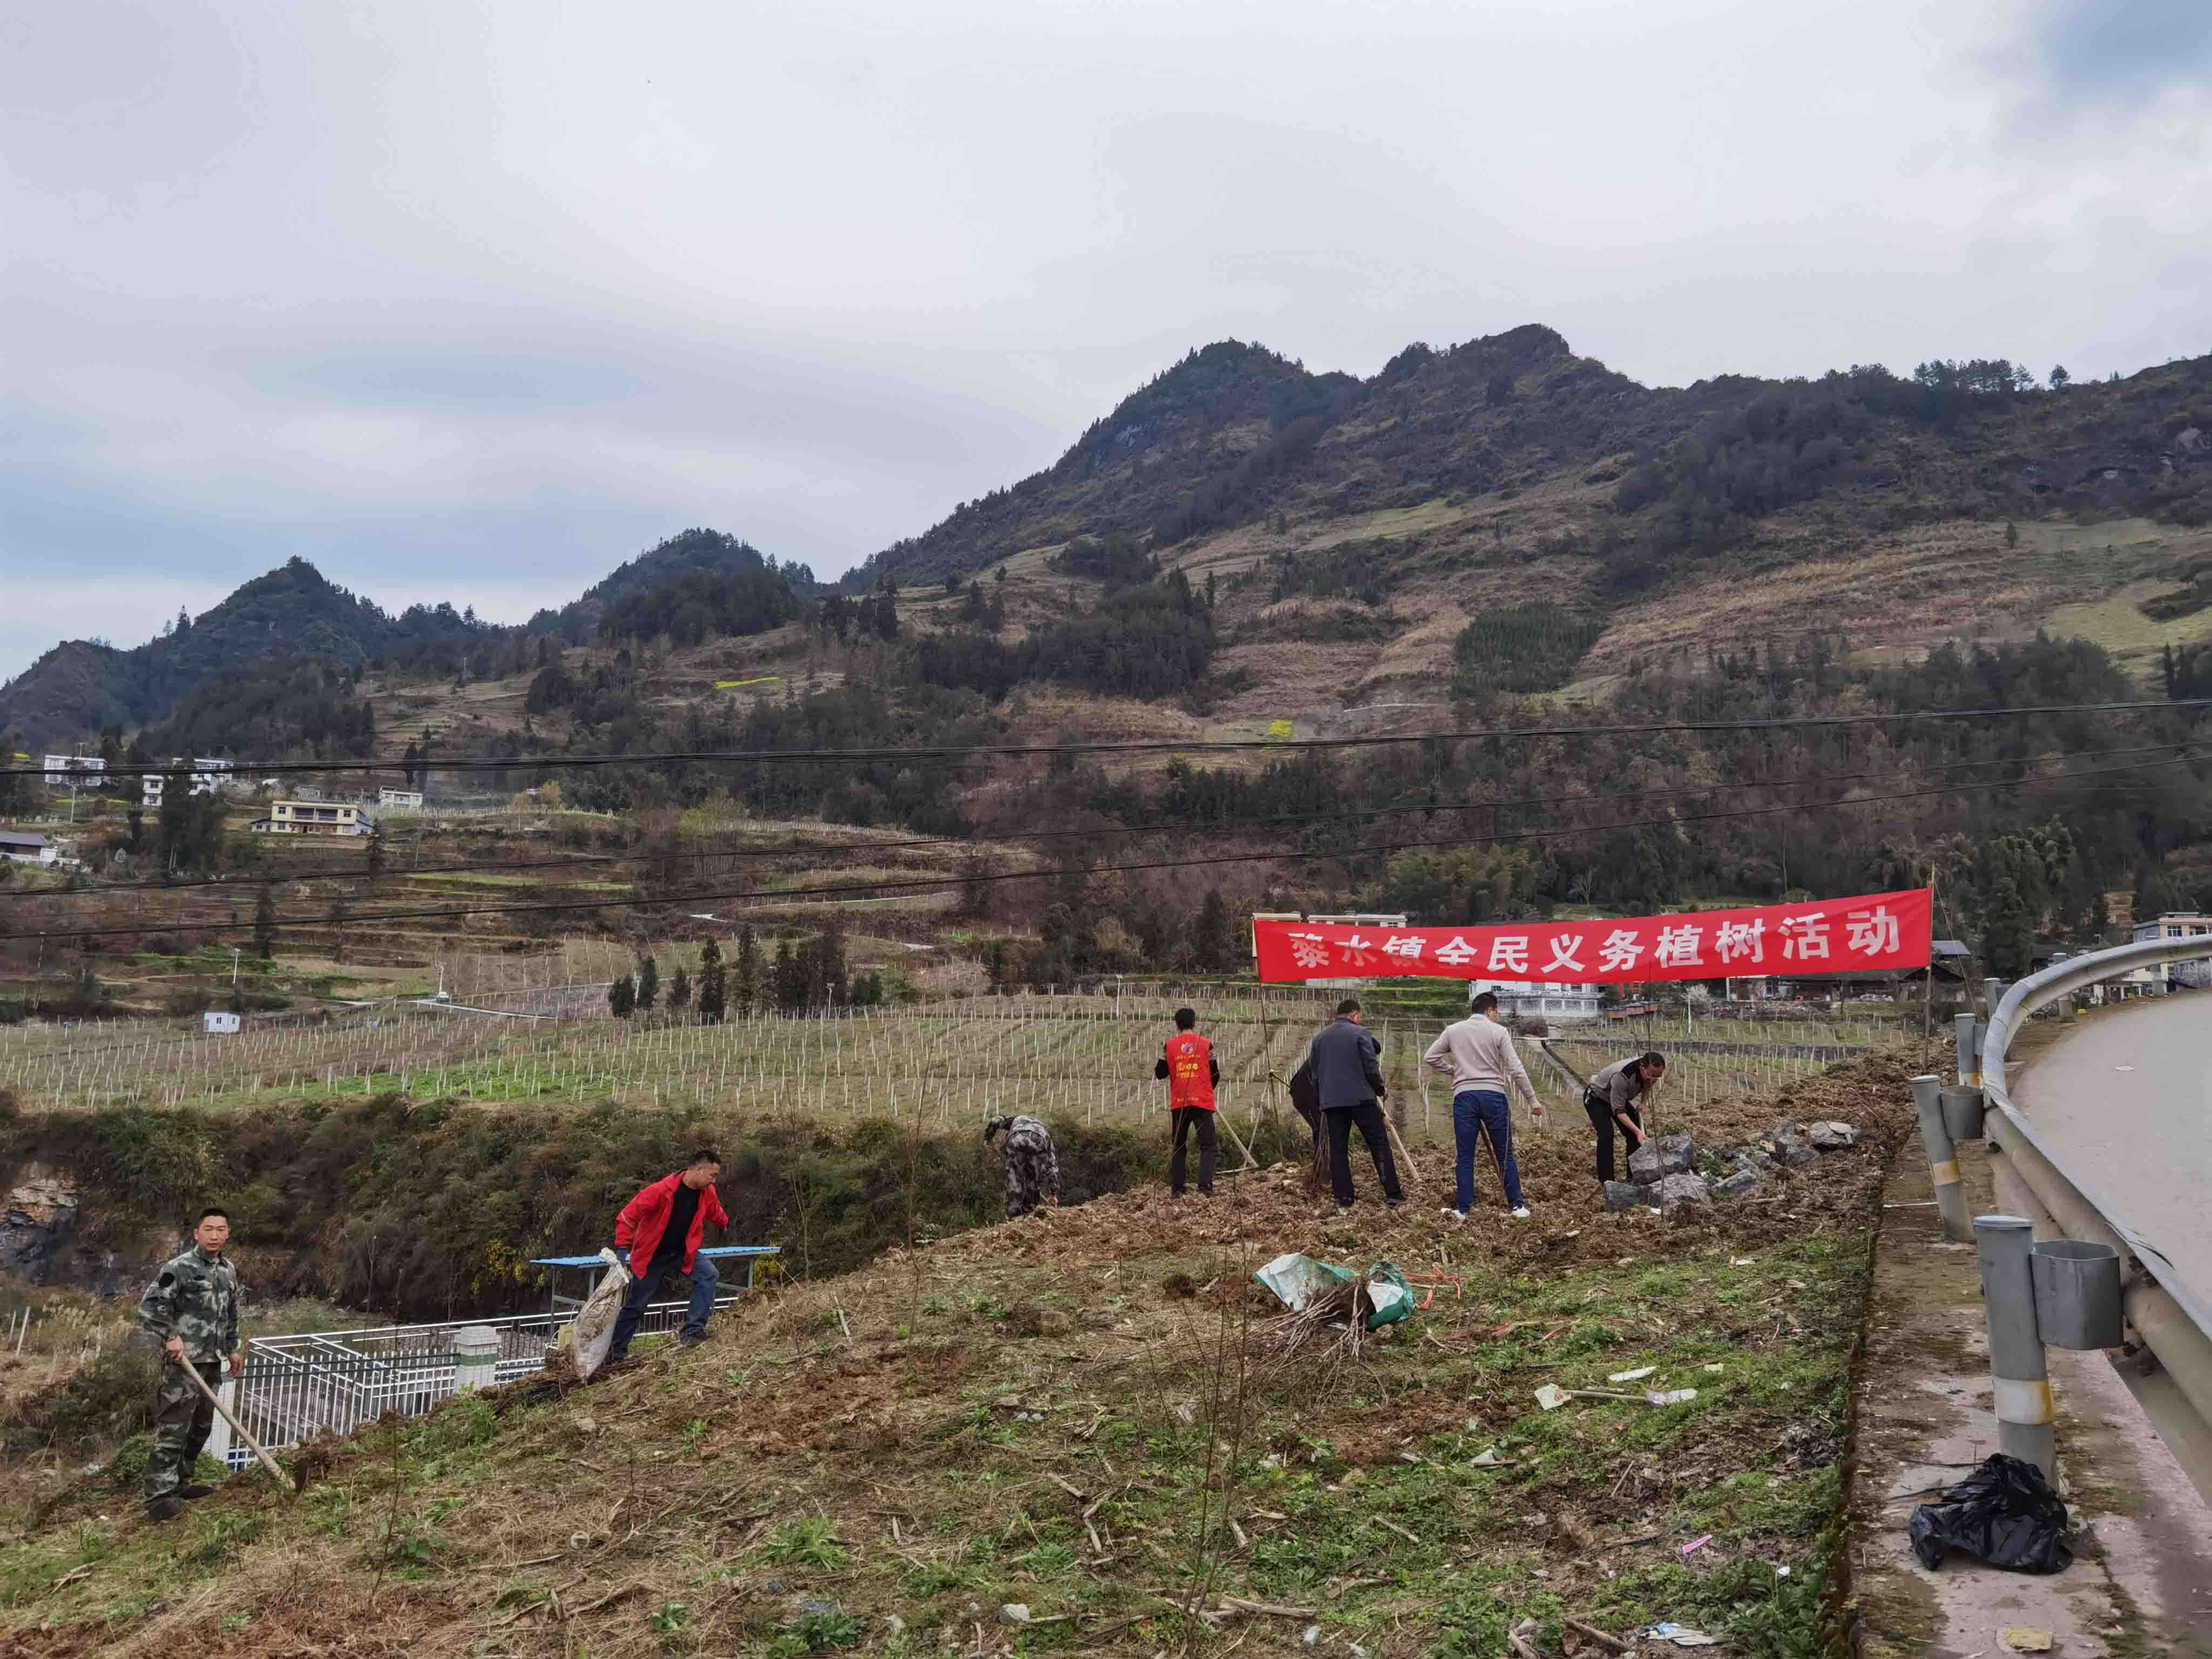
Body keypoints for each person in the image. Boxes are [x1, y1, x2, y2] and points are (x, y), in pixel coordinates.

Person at [136, 1206, 244, 1522]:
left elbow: (231, 1313)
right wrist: (171, 1335)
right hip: (183, 1364)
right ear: (197, 1234)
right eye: (208, 1229)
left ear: (228, 1233)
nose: (215, 1235)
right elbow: (151, 1308)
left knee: (201, 1428)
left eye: (220, 1229)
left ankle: (181, 1483)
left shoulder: (228, 1270)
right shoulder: (179, 1267)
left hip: (211, 1362)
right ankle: (158, 1498)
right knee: (173, 1428)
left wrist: (233, 1348)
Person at [1422, 990, 1543, 1219]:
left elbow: (1431, 1057)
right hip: (1494, 1095)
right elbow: (1515, 1068)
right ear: (1490, 1010)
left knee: (1466, 1155)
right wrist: (1532, 1100)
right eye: (1496, 1012)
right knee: (1505, 1153)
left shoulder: (1454, 1031)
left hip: (1464, 1097)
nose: (1497, 1016)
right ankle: (1517, 1206)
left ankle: (1463, 1209)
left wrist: (1454, 1071)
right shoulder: (1499, 1031)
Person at [608, 1148, 730, 1360]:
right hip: (652, 1256)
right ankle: (616, 1353)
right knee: (637, 1304)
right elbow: (628, 1216)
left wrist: (723, 1223)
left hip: (684, 1252)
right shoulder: (660, 1191)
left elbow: (714, 1210)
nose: (714, 1181)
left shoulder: (707, 1193)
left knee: (709, 1275)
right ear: (699, 1170)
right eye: (713, 1175)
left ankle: (692, 1332)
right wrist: (622, 1247)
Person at [1306, 999, 1403, 1209]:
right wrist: (1380, 1089)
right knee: (1378, 1144)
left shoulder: (1319, 1038)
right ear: (1355, 1015)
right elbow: (1371, 1066)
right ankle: (1393, 1194)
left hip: (1332, 1102)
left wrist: (1323, 1097)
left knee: (1339, 1150)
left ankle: (1345, 1197)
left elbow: (1314, 1073)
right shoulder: (1361, 1034)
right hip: (1362, 1099)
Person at [1154, 1006, 1220, 1197]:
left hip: (1179, 1102)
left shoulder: (1170, 1046)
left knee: (1179, 1145)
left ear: (1177, 1025)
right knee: (1208, 1145)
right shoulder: (1206, 1044)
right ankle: (1205, 1188)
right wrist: (1206, 1089)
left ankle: (1178, 1190)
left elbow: (1160, 1074)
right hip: (1201, 1101)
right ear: (1195, 1022)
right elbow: (1215, 1074)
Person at [1583, 1051, 1667, 1183]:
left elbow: (1648, 1085)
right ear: (1642, 1067)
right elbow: (1620, 1112)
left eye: (1658, 1077)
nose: (1654, 1079)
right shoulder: (1622, 1077)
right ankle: (1607, 1181)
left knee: (1635, 1135)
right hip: (1597, 1098)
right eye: (1651, 1075)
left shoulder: (1650, 1073)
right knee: (1607, 1135)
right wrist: (1638, 1131)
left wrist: (1643, 1103)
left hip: (1616, 1098)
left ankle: (1632, 1177)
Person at [984, 1115, 1060, 1218]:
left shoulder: (1016, 1120)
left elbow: (996, 1120)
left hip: (1015, 1141)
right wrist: (1053, 1194)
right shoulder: (1045, 1133)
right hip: (1038, 1141)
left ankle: (1014, 1216)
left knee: (1015, 1181)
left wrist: (988, 1138)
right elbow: (1052, 1167)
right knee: (1033, 1179)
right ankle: (1032, 1213)